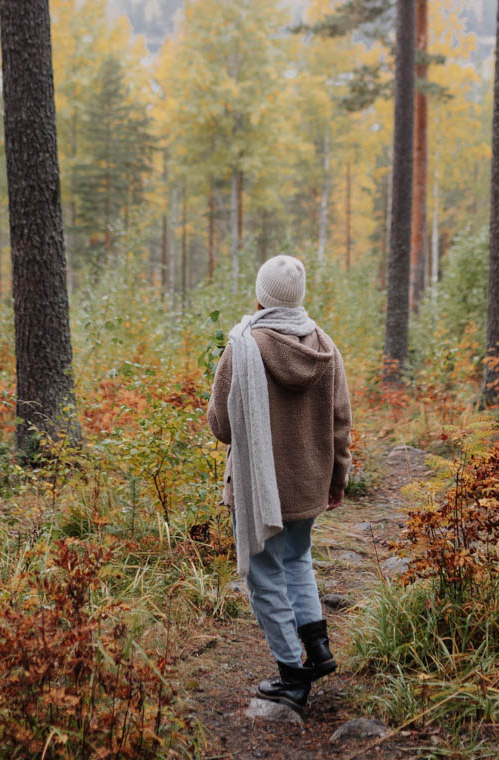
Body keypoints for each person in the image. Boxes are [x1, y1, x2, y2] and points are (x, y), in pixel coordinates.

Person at [207, 254, 352, 715]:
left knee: (264, 573)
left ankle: (292, 674)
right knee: (298, 560)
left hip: (259, 486)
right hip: (309, 484)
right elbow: (340, 423)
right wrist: (338, 478)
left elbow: (221, 426)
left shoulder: (243, 345)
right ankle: (319, 648)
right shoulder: (326, 346)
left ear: (261, 294)